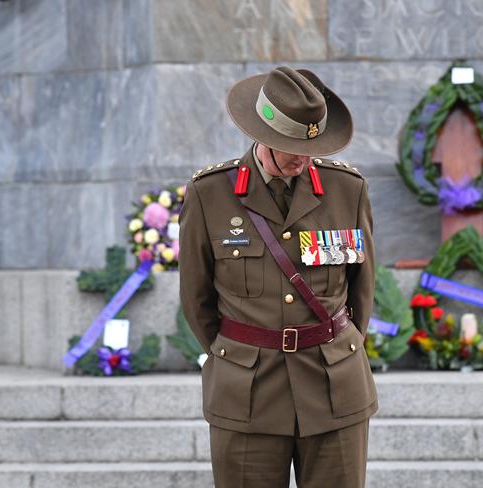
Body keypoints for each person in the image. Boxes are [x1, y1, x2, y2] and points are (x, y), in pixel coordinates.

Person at [179, 66, 378, 488]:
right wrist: (239, 352)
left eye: (312, 146)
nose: (302, 158)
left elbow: (362, 287)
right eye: (290, 147)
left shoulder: (347, 189)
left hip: (333, 387)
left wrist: (338, 347)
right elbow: (196, 300)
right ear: (263, 135)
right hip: (248, 392)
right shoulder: (209, 194)